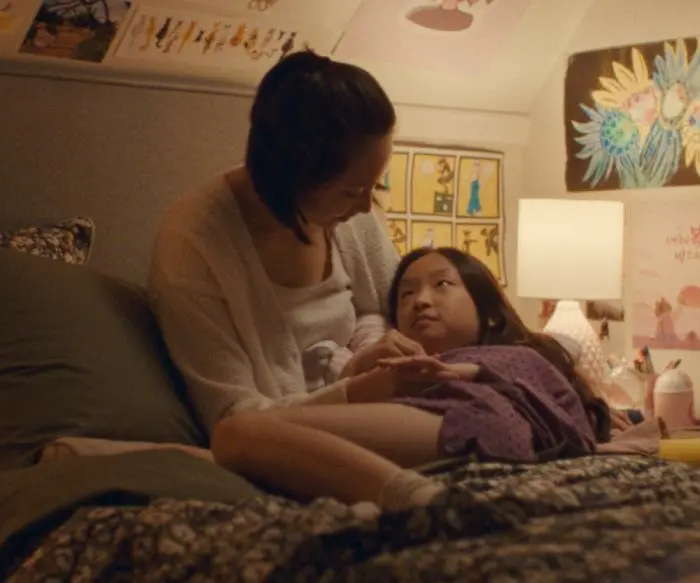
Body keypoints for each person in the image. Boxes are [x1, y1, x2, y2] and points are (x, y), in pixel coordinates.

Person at [148, 51, 426, 450]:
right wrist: (355, 389)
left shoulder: (348, 215)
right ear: (292, 177)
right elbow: (234, 419)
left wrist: (373, 354)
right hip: (281, 441)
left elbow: (387, 305)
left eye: (374, 187)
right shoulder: (194, 246)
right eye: (352, 191)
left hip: (375, 412)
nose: (366, 208)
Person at [210, 248, 612, 513]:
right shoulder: (399, 369)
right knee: (238, 441)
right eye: (405, 294)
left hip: (470, 417)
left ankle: (419, 501)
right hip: (443, 419)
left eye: (442, 284)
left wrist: (463, 371)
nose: (420, 300)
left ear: (489, 313)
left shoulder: (517, 354)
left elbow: (545, 398)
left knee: (237, 434)